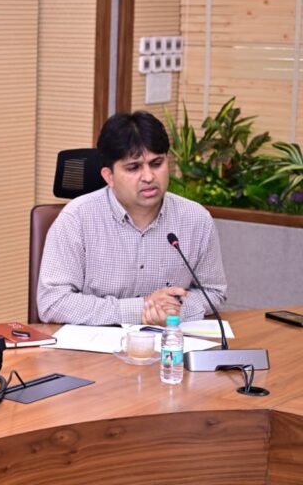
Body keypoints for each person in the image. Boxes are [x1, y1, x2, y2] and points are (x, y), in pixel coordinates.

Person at [37, 111, 227, 326]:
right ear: (109, 176)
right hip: (95, 344)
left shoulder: (195, 219)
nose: (148, 177)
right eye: (133, 167)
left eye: (156, 163)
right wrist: (141, 308)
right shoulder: (77, 219)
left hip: (168, 340)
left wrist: (172, 310)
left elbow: (213, 292)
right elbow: (52, 302)